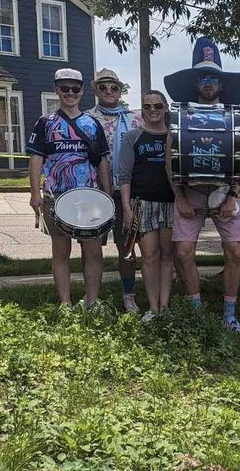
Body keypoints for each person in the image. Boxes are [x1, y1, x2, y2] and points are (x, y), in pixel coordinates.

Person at [164, 36, 240, 332]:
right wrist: (179, 197)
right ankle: (196, 311)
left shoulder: (235, 118)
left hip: (225, 194)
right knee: (183, 252)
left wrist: (234, 194)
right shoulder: (180, 115)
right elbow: (171, 158)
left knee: (236, 253)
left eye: (213, 77)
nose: (208, 82)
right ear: (195, 82)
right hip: (190, 194)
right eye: (202, 77)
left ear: (221, 83)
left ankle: (229, 313)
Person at [26, 68, 112, 308]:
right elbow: (36, 158)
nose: (70, 93)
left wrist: (108, 193)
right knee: (61, 252)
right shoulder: (45, 123)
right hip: (56, 195)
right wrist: (34, 193)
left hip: (89, 197)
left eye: (75, 88)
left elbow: (102, 160)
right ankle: (65, 303)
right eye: (65, 88)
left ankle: (92, 301)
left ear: (82, 91)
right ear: (57, 90)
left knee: (93, 252)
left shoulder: (92, 124)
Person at [117, 90, 178, 320]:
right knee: (149, 256)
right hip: (142, 203)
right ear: (142, 109)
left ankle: (165, 306)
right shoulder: (133, 137)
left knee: (167, 256)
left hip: (170, 203)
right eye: (147, 106)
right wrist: (126, 207)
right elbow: (124, 176)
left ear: (165, 108)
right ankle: (153, 307)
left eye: (157, 106)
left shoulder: (174, 136)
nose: (152, 111)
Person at [86, 68, 140, 312]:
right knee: (93, 247)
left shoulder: (135, 119)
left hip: (127, 192)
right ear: (94, 89)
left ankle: (129, 294)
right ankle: (92, 297)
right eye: (103, 86)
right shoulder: (86, 119)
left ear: (121, 89)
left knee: (126, 246)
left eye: (114, 87)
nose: (108, 91)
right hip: (94, 192)